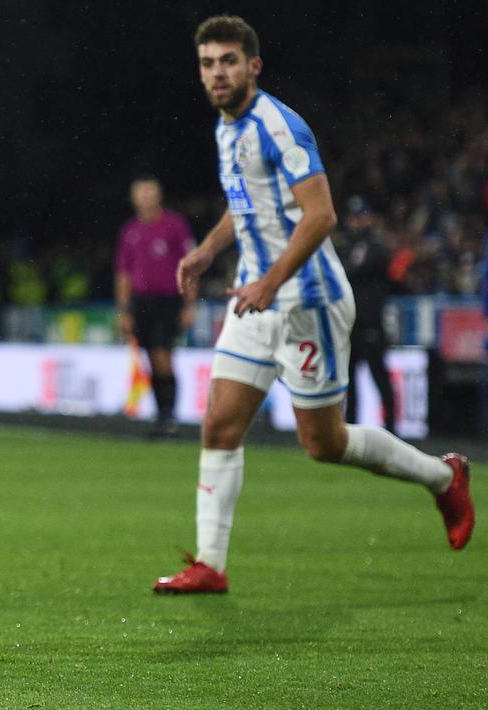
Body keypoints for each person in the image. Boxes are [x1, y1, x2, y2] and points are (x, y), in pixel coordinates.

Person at [154, 16, 474, 594]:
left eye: (228, 61)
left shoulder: (279, 126)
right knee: (219, 427)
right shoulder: (227, 129)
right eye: (207, 63)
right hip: (254, 300)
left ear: (253, 65)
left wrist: (272, 282)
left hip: (309, 303)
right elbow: (248, 204)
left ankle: (442, 477)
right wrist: (205, 252)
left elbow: (321, 213)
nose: (217, 73)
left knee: (323, 444)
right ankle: (210, 565)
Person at [114, 175, 196, 437]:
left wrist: (189, 305)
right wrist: (124, 311)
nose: (146, 198)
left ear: (159, 196)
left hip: (169, 300)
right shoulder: (130, 231)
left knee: (163, 358)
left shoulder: (174, 225)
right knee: (150, 359)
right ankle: (161, 416)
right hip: (141, 303)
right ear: (134, 199)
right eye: (142, 194)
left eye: (150, 193)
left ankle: (169, 416)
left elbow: (190, 265)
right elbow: (123, 273)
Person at [338, 197, 397, 433]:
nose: (356, 221)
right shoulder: (348, 245)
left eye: (360, 216)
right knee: (349, 378)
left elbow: (360, 269)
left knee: (378, 375)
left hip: (371, 320)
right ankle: (350, 427)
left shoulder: (375, 245)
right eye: (353, 217)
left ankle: (392, 427)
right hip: (351, 322)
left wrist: (349, 270)